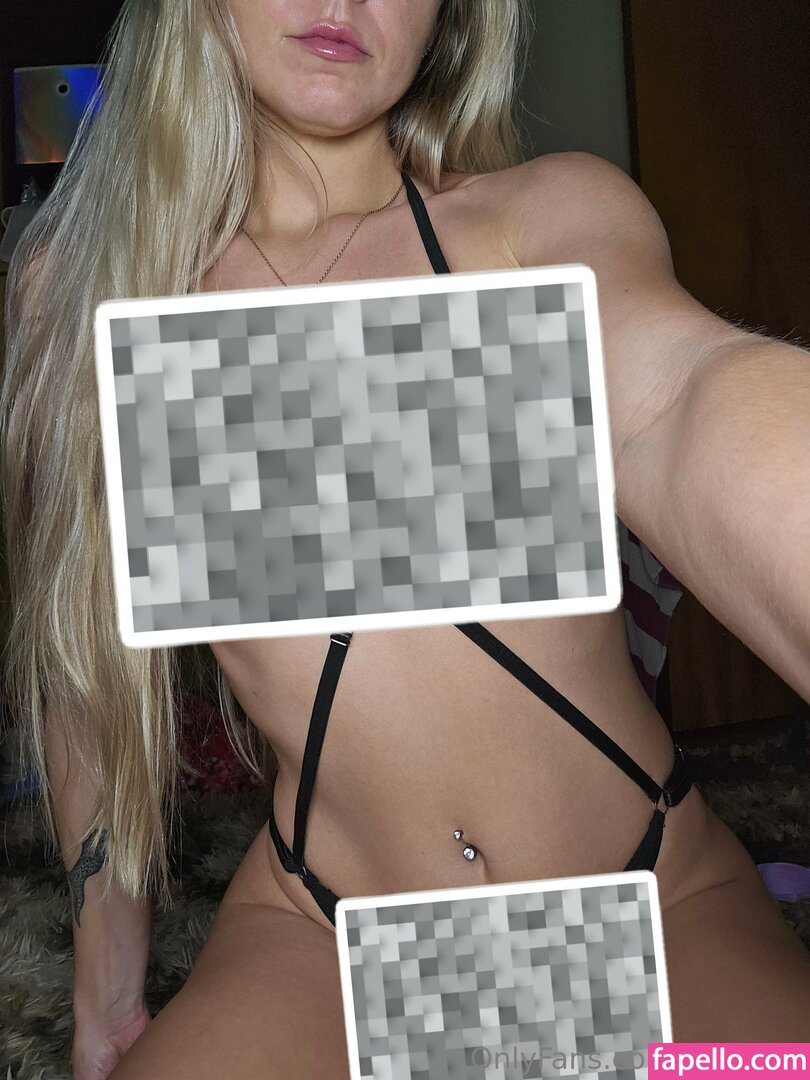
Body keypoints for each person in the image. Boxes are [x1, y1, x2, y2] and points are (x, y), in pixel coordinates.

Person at [2, 1, 809, 1077]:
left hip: (656, 888)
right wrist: (106, 995)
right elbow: (83, 670)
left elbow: (675, 400)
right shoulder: (80, 291)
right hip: (320, 926)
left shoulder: (543, 222)